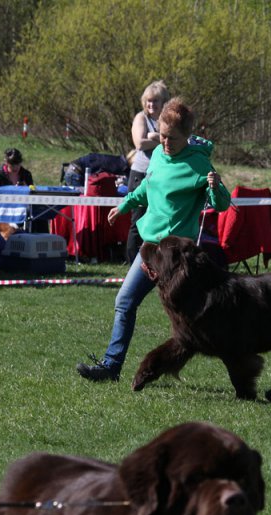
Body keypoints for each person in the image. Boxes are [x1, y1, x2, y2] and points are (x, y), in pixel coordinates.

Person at [77, 97, 231, 382]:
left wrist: (216, 186)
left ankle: (236, 359)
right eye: (161, 135)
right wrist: (124, 205)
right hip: (151, 250)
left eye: (171, 137)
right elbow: (148, 186)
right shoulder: (159, 154)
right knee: (125, 300)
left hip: (177, 258)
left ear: (187, 136)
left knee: (191, 318)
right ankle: (111, 366)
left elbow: (221, 205)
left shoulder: (199, 165)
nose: (165, 142)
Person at [126, 80, 170, 264]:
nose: (151, 105)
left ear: (163, 103)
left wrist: (159, 137)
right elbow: (140, 143)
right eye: (149, 101)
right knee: (138, 222)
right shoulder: (141, 118)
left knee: (157, 221)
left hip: (160, 177)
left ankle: (153, 262)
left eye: (156, 101)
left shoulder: (166, 120)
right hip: (141, 176)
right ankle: (132, 263)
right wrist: (164, 139)